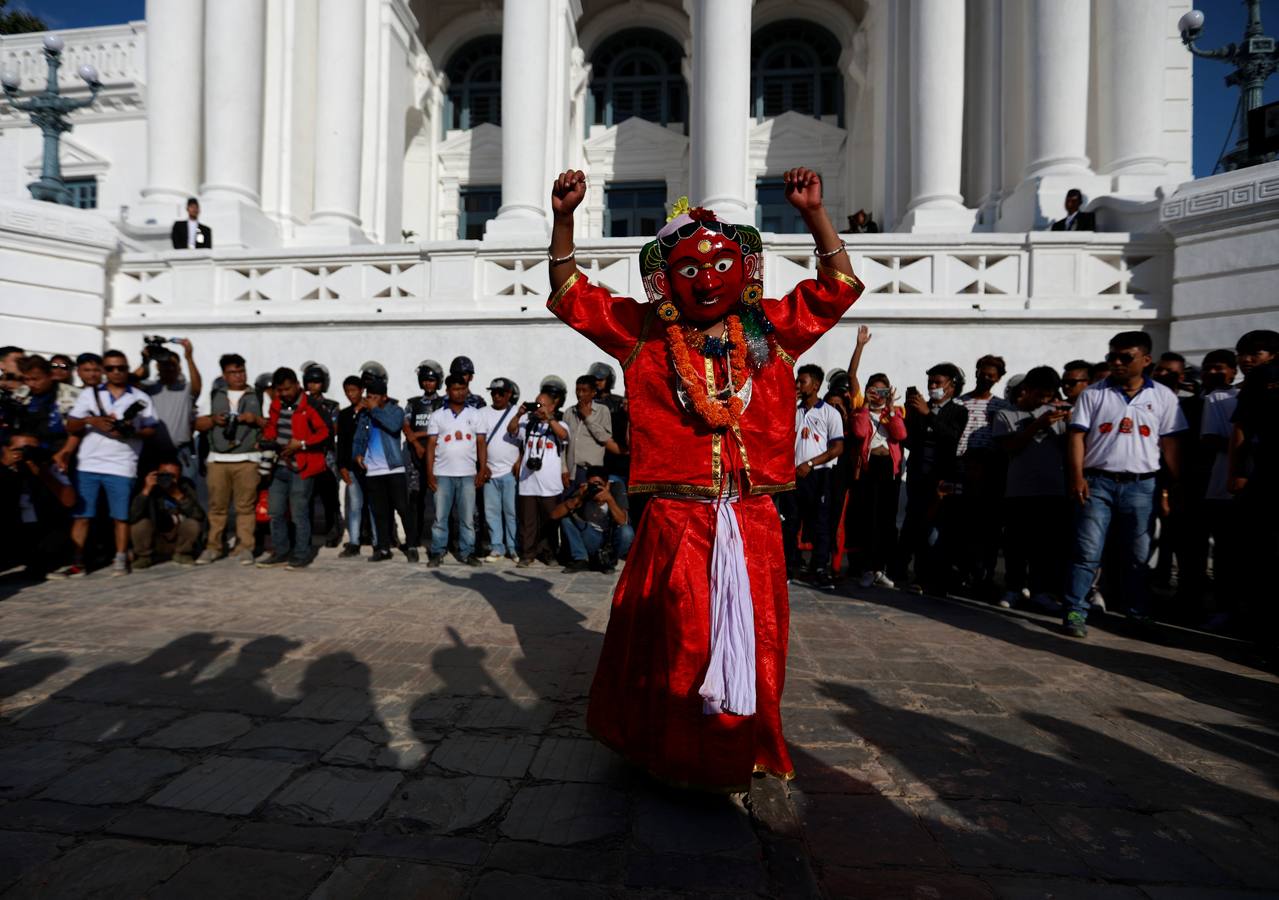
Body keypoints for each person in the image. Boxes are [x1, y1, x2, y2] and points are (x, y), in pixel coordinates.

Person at [547, 164, 863, 791]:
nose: (707, 278)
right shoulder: (643, 334)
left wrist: (812, 214)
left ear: (744, 271)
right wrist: (562, 219)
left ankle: (744, 744)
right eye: (689, 268)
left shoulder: (770, 328)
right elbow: (571, 294)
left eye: (720, 266)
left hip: (751, 517)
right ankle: (673, 750)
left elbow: (838, 286)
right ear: (665, 278)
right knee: (681, 639)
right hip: (676, 518)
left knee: (759, 637)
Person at [1062, 331, 1187, 638]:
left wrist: (1175, 485)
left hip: (1142, 486)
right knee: (1087, 551)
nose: (1116, 362)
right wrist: (1077, 476)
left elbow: (1169, 443)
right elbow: (1076, 437)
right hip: (1098, 483)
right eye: (1112, 356)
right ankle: (1076, 609)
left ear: (1145, 360)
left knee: (1137, 554)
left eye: (1125, 357)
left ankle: (1136, 613)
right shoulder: (1094, 394)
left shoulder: (1163, 397)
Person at [62, 350, 158, 576]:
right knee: (83, 515)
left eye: (121, 368)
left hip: (122, 463)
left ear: (127, 369)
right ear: (104, 370)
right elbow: (71, 426)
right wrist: (91, 420)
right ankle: (78, 563)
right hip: (89, 463)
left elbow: (151, 429)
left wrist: (131, 430)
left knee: (120, 516)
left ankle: (120, 559)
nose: (116, 372)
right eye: (111, 368)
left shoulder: (140, 398)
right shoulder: (89, 395)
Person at [992, 366, 1070, 611]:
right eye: (1040, 394)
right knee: (1016, 544)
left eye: (1049, 395)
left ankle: (1040, 591)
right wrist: (1037, 425)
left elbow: (1070, 449)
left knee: (1045, 546)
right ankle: (1014, 588)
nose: (1044, 400)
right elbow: (1011, 448)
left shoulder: (1057, 414)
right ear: (1027, 389)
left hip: (1052, 490)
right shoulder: (1006, 415)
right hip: (1019, 490)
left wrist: (1068, 424)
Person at [893, 362, 968, 592]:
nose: (932, 386)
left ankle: (930, 575)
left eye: (938, 383)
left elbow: (951, 438)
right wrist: (907, 416)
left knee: (935, 528)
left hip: (941, 478)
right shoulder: (919, 408)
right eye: (930, 382)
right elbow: (908, 441)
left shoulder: (958, 411)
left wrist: (929, 415)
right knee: (911, 524)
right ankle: (901, 570)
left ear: (952, 387)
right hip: (917, 474)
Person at [1228, 329, 1279, 639]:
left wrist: (1237, 472)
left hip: (1265, 480)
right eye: (1242, 355)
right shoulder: (1259, 381)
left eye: (1254, 354)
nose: (1246, 360)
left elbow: (1241, 431)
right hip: (1266, 479)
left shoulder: (1261, 380)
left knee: (1264, 557)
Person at [257, 367, 331, 570]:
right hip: (279, 466)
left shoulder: (311, 405)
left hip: (302, 467)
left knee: (299, 512)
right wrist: (266, 439)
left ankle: (301, 553)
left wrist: (303, 444)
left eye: (287, 389)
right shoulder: (276, 404)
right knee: (276, 512)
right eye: (280, 390)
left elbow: (325, 432)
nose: (284, 393)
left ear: (297, 386)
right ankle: (281, 552)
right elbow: (273, 427)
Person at [194, 353, 263, 564]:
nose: (239, 376)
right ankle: (214, 547)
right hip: (218, 459)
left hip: (248, 458)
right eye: (233, 372)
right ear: (224, 374)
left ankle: (245, 548)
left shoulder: (257, 395)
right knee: (217, 508)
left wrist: (253, 419)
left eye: (241, 371)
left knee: (245, 507)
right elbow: (198, 424)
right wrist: (214, 420)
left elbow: (269, 423)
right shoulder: (214, 395)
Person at [847, 355, 907, 590]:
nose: (878, 395)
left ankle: (881, 568)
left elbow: (900, 435)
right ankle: (866, 568)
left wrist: (890, 409)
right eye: (874, 390)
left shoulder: (894, 412)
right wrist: (864, 406)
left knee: (886, 521)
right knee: (867, 520)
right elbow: (861, 433)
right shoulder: (861, 412)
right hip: (869, 469)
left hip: (887, 471)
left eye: (883, 391)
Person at [781, 363, 844, 587]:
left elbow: (837, 448)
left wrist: (810, 463)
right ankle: (787, 567)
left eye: (803, 381)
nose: (798, 385)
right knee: (790, 523)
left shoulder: (830, 413)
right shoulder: (793, 412)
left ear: (816, 385)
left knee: (820, 523)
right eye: (797, 381)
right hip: (794, 475)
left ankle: (819, 568)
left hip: (819, 475)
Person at [956, 354, 1011, 599]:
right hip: (960, 468)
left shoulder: (1001, 407)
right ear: (976, 371)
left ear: (998, 378)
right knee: (962, 526)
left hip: (990, 472)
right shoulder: (959, 403)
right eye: (983, 373)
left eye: (992, 375)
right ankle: (962, 574)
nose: (986, 378)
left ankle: (984, 576)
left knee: (987, 529)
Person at [353, 375, 418, 563]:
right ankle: (383, 548)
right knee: (379, 512)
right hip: (373, 471)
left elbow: (394, 426)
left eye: (374, 396)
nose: (370, 399)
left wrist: (375, 411)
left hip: (393, 469)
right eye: (369, 396)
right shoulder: (365, 415)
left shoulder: (395, 411)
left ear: (384, 397)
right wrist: (357, 454)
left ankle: (412, 545)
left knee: (402, 509)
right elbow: (358, 437)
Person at [425, 374, 487, 567]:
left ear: (467, 389)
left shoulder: (476, 415)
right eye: (455, 389)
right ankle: (437, 551)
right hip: (442, 474)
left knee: (467, 518)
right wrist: (430, 473)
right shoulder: (437, 416)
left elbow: (481, 444)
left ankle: (467, 552)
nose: (459, 393)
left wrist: (482, 469)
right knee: (440, 517)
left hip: (468, 474)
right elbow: (431, 446)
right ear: (448, 391)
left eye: (463, 389)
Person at [1196, 349, 1239, 627]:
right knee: (1224, 552)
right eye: (1207, 368)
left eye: (1219, 368)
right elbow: (1209, 440)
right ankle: (1224, 607)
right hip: (1219, 488)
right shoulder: (1215, 399)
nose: (1213, 373)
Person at [1, 429, 75, 578]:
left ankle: (39, 563)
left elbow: (69, 501)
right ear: (5, 450)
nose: (26, 454)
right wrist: (7, 468)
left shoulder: (48, 464)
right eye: (20, 449)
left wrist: (43, 473)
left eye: (32, 449)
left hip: (40, 525)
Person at [511, 388, 570, 567]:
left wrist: (549, 418)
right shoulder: (528, 424)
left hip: (550, 484)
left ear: (553, 406)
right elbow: (511, 429)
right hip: (528, 483)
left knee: (550, 521)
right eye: (536, 404)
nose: (538, 408)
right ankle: (527, 554)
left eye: (542, 404)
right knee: (528, 522)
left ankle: (549, 553)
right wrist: (518, 414)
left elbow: (564, 436)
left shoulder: (560, 424)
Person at [136, 338, 202, 480]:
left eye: (173, 365)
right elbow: (131, 382)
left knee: (184, 492)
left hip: (180, 451)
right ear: (158, 367)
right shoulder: (149, 388)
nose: (169, 368)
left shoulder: (186, 389)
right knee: (151, 492)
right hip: (153, 451)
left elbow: (197, 386)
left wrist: (189, 357)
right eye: (165, 364)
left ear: (179, 367)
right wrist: (145, 361)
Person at [553, 466, 634, 572]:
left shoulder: (615, 489)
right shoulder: (584, 491)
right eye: (592, 484)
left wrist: (609, 500)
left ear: (607, 485)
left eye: (599, 484)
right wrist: (578, 498)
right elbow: (554, 515)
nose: (595, 488)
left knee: (627, 532)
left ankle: (609, 561)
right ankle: (581, 559)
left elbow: (623, 521)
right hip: (590, 537)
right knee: (566, 520)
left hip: (609, 541)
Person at [129, 457, 205, 569]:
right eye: (164, 475)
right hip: (155, 539)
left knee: (193, 523)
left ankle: (182, 554)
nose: (167, 479)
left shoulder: (185, 486)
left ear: (179, 476)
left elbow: (199, 515)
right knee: (140, 524)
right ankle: (144, 557)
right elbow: (132, 517)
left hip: (179, 539)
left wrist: (179, 496)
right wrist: (146, 491)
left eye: (172, 476)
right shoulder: (148, 487)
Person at [301, 363, 343, 548]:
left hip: (327, 458)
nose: (313, 385)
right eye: (310, 381)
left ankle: (333, 532)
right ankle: (305, 534)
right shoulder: (300, 404)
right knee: (305, 498)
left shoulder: (331, 406)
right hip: (307, 457)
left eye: (317, 382)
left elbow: (332, 429)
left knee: (330, 499)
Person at [405, 359, 445, 548]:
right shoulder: (413, 403)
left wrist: (420, 435)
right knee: (415, 502)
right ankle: (413, 542)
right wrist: (415, 442)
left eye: (432, 380)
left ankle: (444, 543)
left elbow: (442, 429)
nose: (428, 384)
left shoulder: (443, 403)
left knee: (442, 503)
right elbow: (406, 425)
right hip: (416, 460)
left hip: (438, 459)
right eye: (425, 380)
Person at [480, 377, 521, 561]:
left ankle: (513, 547)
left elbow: (525, 441)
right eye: (493, 393)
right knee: (492, 512)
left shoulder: (518, 413)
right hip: (490, 472)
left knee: (511, 512)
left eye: (501, 393)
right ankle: (497, 547)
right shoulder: (482, 413)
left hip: (509, 473)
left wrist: (519, 461)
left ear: (509, 394)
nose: (496, 396)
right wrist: (482, 466)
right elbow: (478, 442)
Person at [565, 374, 619, 489]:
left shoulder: (602, 411)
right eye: (577, 390)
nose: (580, 394)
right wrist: (563, 469)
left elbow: (604, 438)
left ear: (593, 392)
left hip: (592, 472)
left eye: (584, 391)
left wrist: (588, 418)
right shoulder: (569, 412)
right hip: (571, 471)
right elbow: (563, 444)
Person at [17, 356, 76, 454]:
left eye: (35, 379)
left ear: (50, 376)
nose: (31, 384)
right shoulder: (19, 394)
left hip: (60, 453)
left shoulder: (72, 395)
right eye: (27, 379)